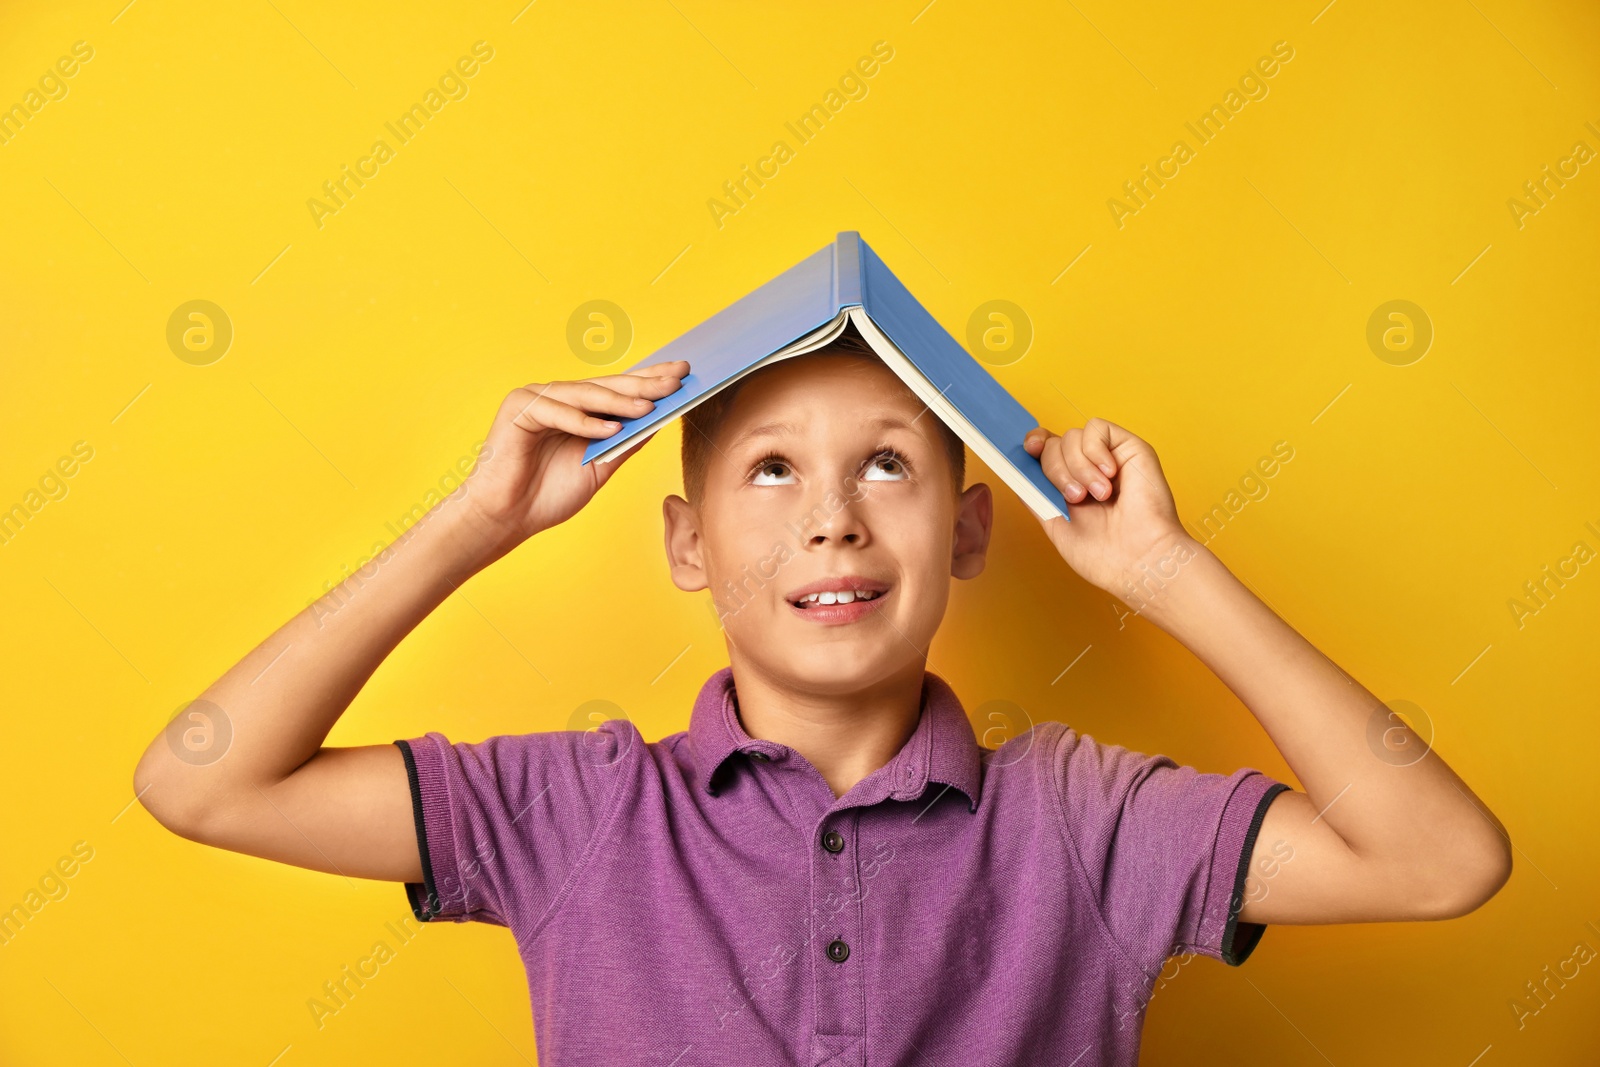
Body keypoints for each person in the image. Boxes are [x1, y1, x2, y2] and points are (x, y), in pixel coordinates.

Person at [133, 327, 1511, 1065]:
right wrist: (474, 525)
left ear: (972, 533)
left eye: (890, 467)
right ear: (688, 545)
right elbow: (203, 777)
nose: (835, 523)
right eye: (774, 471)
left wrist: (1164, 570)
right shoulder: (580, 810)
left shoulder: (1083, 821)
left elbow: (1443, 861)